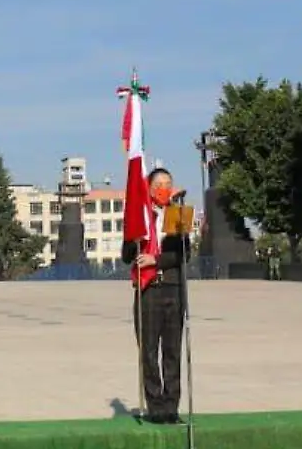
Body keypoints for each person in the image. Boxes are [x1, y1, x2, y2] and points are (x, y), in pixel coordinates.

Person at [121, 168, 190, 424]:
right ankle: (156, 408)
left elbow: (183, 254)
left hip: (173, 288)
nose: (163, 188)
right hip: (148, 290)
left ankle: (171, 407)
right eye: (158, 184)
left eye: (168, 184)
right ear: (148, 188)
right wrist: (134, 241)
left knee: (172, 351)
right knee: (149, 351)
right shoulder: (140, 216)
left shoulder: (178, 214)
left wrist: (156, 260)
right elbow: (127, 255)